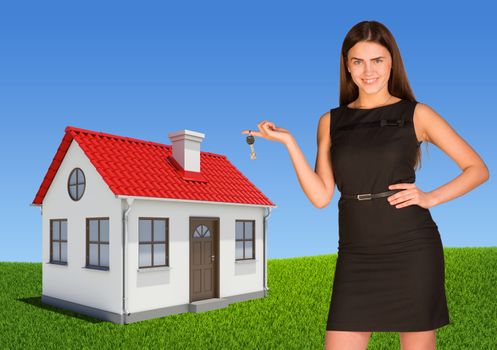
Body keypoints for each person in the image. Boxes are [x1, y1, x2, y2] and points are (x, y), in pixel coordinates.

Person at [241, 20, 489, 350]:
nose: (367, 71)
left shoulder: (417, 114)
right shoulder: (331, 121)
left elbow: (477, 169)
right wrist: (289, 143)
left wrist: (430, 197)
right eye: (358, 61)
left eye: (377, 61)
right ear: (346, 65)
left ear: (392, 63)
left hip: (412, 250)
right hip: (356, 255)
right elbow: (320, 195)